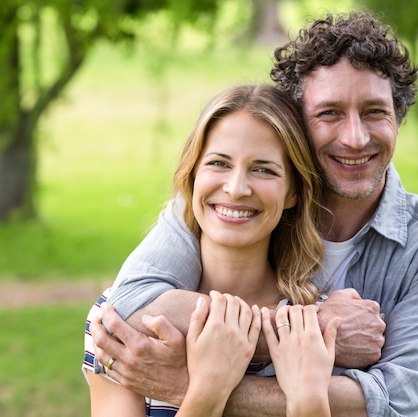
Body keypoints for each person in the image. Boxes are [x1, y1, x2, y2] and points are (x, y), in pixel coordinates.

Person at [90, 11, 418, 417]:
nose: (355, 137)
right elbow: (133, 307)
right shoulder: (229, 208)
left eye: (374, 112)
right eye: (329, 113)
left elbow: (400, 399)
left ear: (397, 119)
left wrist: (192, 385)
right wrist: (310, 331)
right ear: (295, 126)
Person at [83, 84, 340, 417]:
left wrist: (310, 405)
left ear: (293, 193)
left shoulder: (317, 331)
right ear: (191, 177)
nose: (236, 188)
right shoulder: (120, 322)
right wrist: (208, 390)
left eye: (263, 169)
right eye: (219, 163)